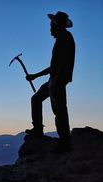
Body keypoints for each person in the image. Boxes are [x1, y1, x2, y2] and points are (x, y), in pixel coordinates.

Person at [26, 11, 75, 153]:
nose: (50, 29)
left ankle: (65, 142)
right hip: (55, 79)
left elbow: (59, 65)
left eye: (52, 25)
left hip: (57, 80)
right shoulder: (63, 38)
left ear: (57, 25)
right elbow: (55, 66)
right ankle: (38, 130)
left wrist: (39, 76)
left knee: (59, 110)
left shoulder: (64, 39)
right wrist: (36, 76)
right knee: (36, 99)